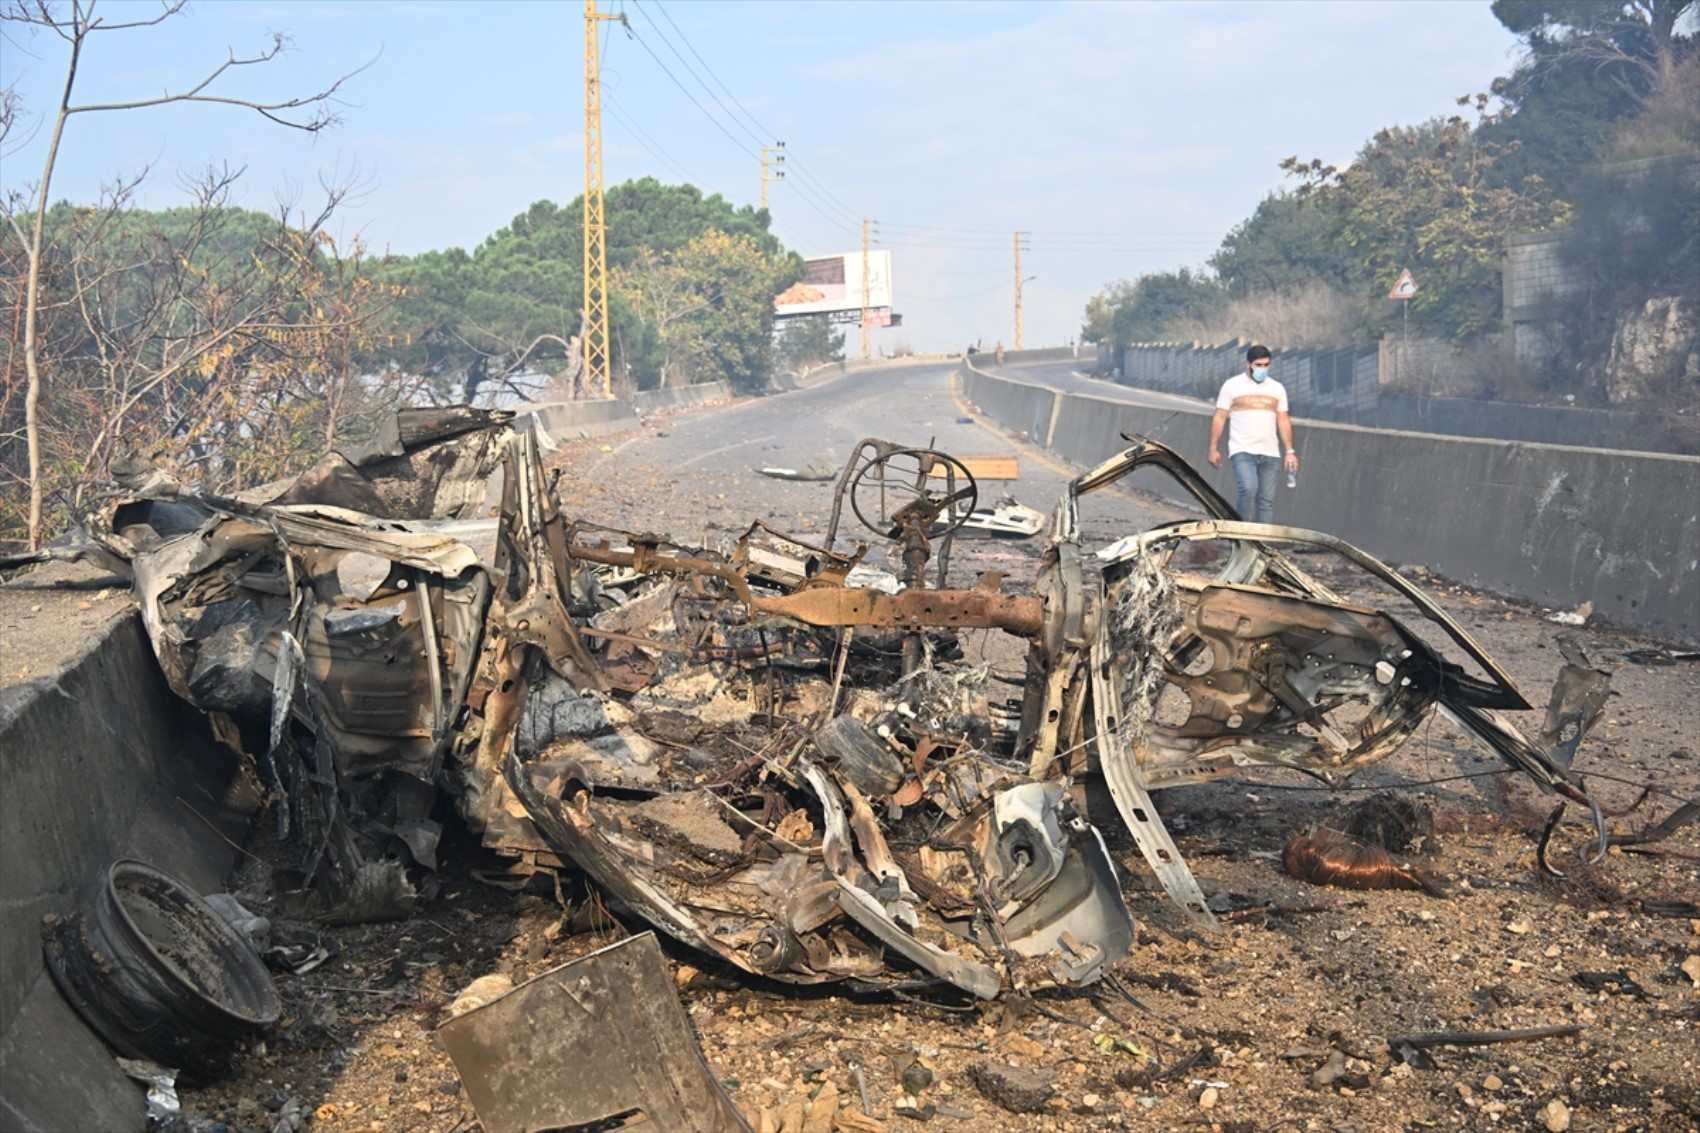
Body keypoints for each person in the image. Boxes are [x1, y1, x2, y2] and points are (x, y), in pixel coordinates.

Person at [1207, 344, 1298, 523]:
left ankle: (1261, 543)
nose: (1262, 369)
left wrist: (1290, 452)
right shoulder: (1232, 386)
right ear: (1247, 364)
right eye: (1258, 365)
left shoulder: (1277, 389)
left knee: (1266, 500)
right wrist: (1213, 448)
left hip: (1270, 452)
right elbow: (1220, 417)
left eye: (1266, 365)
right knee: (1248, 488)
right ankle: (1243, 536)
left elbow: (1283, 420)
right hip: (1242, 450)